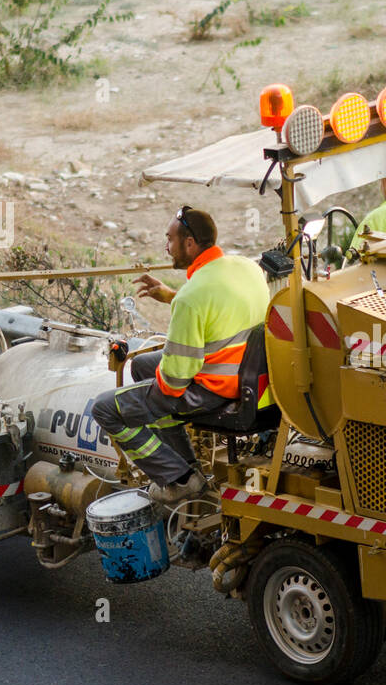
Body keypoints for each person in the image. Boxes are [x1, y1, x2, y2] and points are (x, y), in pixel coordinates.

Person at [92, 205, 269, 504]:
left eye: (170, 240)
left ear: (189, 244)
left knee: (105, 409)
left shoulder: (191, 298)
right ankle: (188, 466)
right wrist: (173, 298)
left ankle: (179, 478)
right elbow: (220, 308)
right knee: (142, 365)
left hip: (214, 389)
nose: (166, 247)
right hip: (249, 376)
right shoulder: (247, 267)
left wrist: (178, 311)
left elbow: (173, 383)